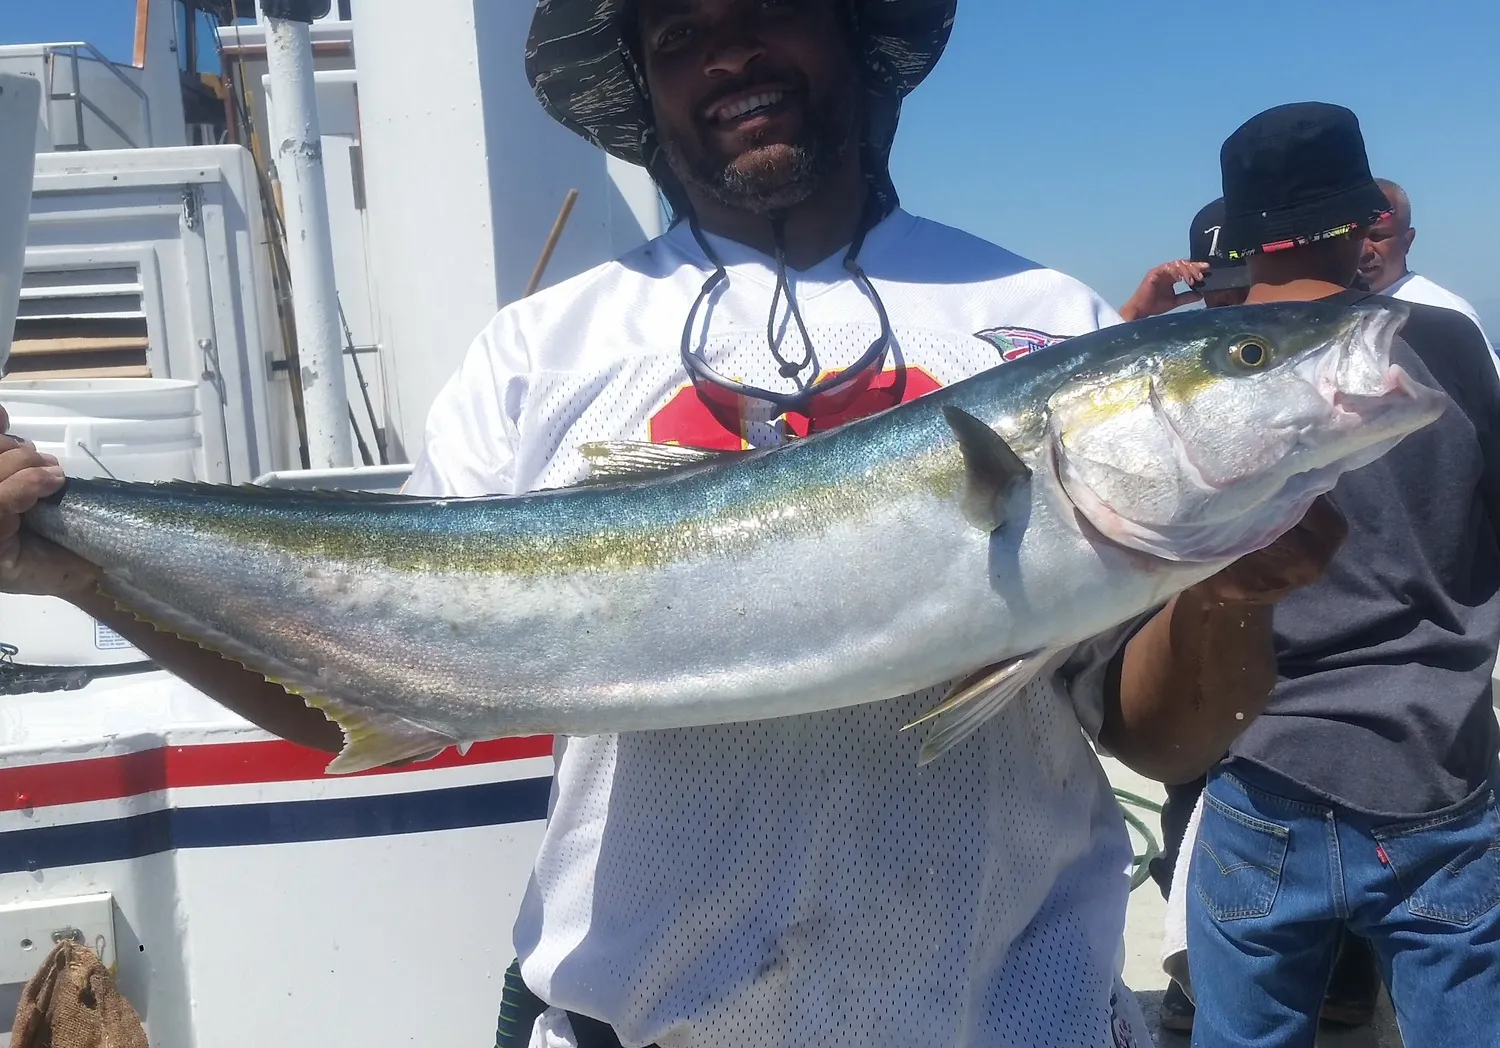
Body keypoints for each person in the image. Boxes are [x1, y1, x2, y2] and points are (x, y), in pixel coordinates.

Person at [0, 4, 1346, 1046]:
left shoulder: (1046, 320)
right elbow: (372, 683)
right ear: (643, 82)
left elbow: (1158, 732)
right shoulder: (542, 348)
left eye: (767, 8)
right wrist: (76, 565)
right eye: (680, 31)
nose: (729, 54)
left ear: (855, 37)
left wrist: (1234, 594)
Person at [1171, 101, 1500, 1048]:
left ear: (1237, 236)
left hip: (1263, 770)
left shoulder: (1196, 374)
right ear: (1368, 223)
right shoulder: (1446, 344)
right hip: (1433, 769)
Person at [1134, 202, 1379, 1036]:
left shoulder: (1323, 388)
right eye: (1216, 304)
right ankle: (1200, 969)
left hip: (1313, 683)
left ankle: (1331, 979)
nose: (1228, 314)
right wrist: (1138, 323)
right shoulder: (1179, 374)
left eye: (1243, 304)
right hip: (1202, 665)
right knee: (1187, 803)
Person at [1359, 177, 1497, 359]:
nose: (1364, 250)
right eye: (1355, 236)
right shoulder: (1334, 307)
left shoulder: (1448, 313)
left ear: (1407, 240)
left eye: (1378, 236)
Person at [1118, 197, 1249, 322]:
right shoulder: (1196, 334)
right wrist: (1135, 311)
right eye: (1221, 304)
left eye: (1245, 289)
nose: (1231, 297)